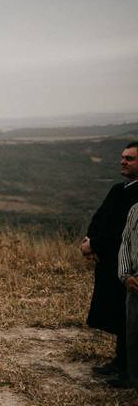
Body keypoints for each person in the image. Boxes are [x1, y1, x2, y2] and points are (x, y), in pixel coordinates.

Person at [80, 141, 138, 376]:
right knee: (118, 313)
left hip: (128, 265)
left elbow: (121, 230)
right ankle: (120, 361)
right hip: (110, 262)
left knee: (130, 316)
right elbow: (100, 217)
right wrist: (90, 241)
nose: (123, 161)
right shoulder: (119, 189)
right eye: (123, 157)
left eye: (130, 158)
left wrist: (94, 244)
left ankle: (128, 369)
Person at [116, 201, 138, 389]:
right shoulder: (134, 209)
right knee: (133, 336)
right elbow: (126, 243)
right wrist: (125, 276)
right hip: (134, 284)